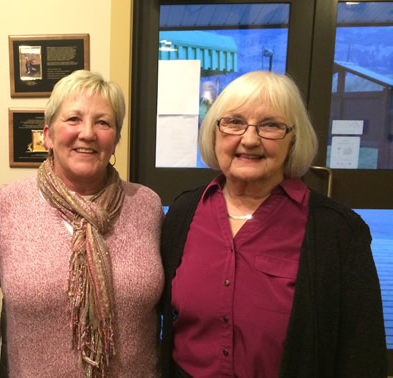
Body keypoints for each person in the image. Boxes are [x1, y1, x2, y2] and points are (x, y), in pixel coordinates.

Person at [160, 70, 387, 377]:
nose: (250, 140)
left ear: (293, 140)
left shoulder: (338, 232)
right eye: (234, 122)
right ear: (215, 133)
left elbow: (362, 354)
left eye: (270, 125)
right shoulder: (184, 213)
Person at [0, 70, 163, 377]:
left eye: (103, 122)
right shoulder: (5, 206)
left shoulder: (146, 206)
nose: (87, 133)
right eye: (73, 119)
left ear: (116, 139)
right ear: (48, 135)